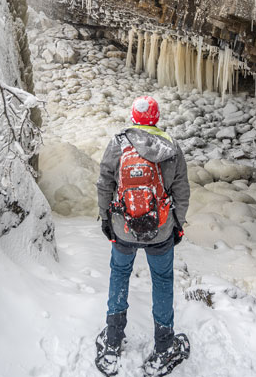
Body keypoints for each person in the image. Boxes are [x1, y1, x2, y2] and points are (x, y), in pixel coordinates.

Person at [96, 95, 190, 376]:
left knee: (119, 274)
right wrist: (178, 223)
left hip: (123, 227)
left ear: (134, 117)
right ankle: (164, 349)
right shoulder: (171, 147)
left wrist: (105, 218)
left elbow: (104, 184)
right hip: (161, 231)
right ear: (156, 117)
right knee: (162, 281)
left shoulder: (118, 143)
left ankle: (112, 343)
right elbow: (181, 191)